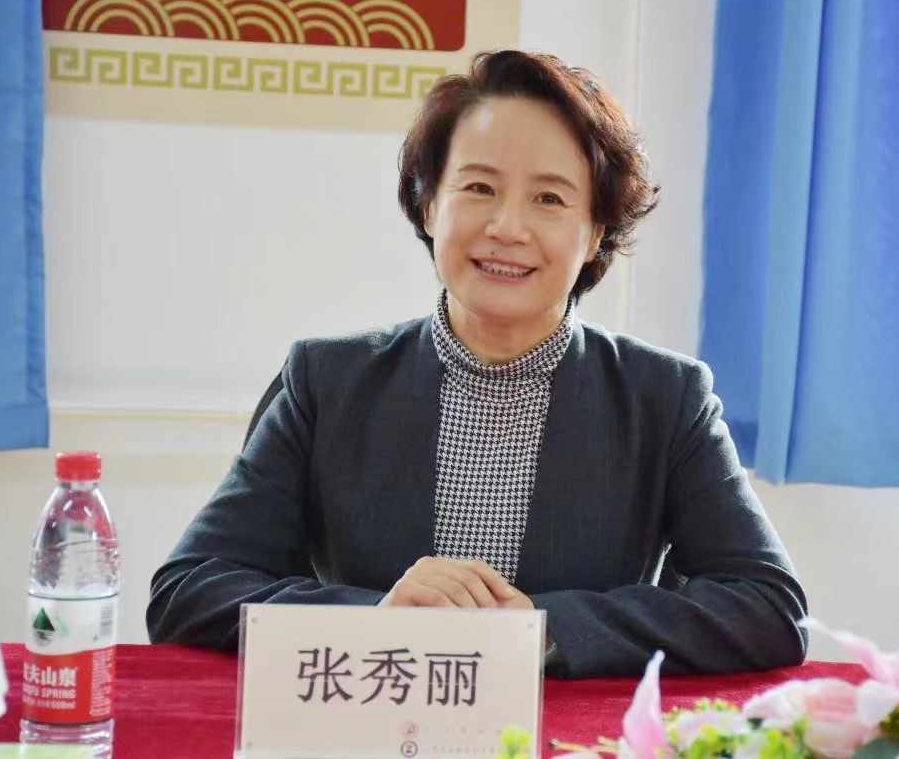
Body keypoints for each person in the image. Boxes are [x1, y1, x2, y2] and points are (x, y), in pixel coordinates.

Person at [147, 50, 807, 678]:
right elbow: (189, 589)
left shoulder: (663, 396)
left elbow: (768, 605)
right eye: (479, 187)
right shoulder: (327, 381)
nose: (507, 228)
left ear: (596, 232)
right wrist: (374, 619)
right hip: (373, 716)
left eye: (549, 199)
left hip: (570, 735)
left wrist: (546, 628)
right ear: (430, 204)